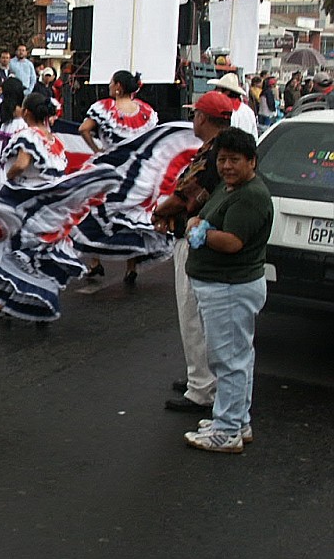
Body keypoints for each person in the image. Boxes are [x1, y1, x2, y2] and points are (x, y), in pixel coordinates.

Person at [0, 92, 117, 321]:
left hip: (26, 204)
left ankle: (8, 300)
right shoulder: (53, 140)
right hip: (47, 209)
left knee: (12, 252)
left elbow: (21, 164)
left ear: (27, 112)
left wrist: (9, 177)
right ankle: (24, 300)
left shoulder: (28, 135)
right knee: (35, 255)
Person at [183, 128, 273, 453]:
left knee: (229, 359)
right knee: (237, 357)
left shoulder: (251, 195)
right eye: (222, 159)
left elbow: (233, 241)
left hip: (231, 288)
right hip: (223, 286)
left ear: (252, 161)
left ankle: (226, 430)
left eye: (235, 160)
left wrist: (200, 232)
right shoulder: (230, 186)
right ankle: (237, 420)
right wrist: (198, 223)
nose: (226, 166)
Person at [153, 91, 232, 414]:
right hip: (203, 234)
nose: (193, 119)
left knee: (193, 313)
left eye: (195, 114)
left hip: (196, 236)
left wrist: (160, 212)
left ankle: (202, 388)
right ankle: (200, 377)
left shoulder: (214, 155)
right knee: (201, 314)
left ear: (203, 118)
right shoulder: (222, 150)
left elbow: (187, 196)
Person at [77, 70, 159, 283]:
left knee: (92, 210)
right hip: (138, 174)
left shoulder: (104, 108)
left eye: (111, 82)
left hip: (111, 170)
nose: (109, 85)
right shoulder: (146, 111)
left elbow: (84, 129)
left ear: (118, 86)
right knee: (131, 217)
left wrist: (97, 150)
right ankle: (131, 267)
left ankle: (95, 261)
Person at [207, 72, 257, 139]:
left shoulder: (224, 110)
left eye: (217, 89)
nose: (215, 91)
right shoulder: (248, 111)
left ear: (227, 92)